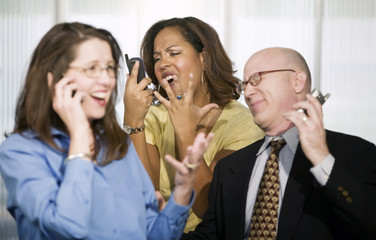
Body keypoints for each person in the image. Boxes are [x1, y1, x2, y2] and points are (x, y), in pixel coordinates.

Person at [0, 22, 214, 240]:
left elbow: (153, 234)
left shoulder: (120, 145)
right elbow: (68, 226)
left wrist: (181, 192)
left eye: (110, 69)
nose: (106, 80)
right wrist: (80, 137)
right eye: (91, 68)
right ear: (56, 78)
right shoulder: (20, 151)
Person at [182, 47, 376, 240]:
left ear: (297, 81)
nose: (247, 92)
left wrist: (321, 159)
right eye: (244, 85)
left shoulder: (355, 153)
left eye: (256, 78)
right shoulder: (229, 168)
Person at [123, 17, 264, 232]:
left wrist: (185, 132)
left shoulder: (243, 124)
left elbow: (210, 208)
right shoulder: (153, 117)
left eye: (173, 53)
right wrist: (133, 120)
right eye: (157, 57)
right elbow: (145, 201)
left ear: (204, 58)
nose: (162, 63)